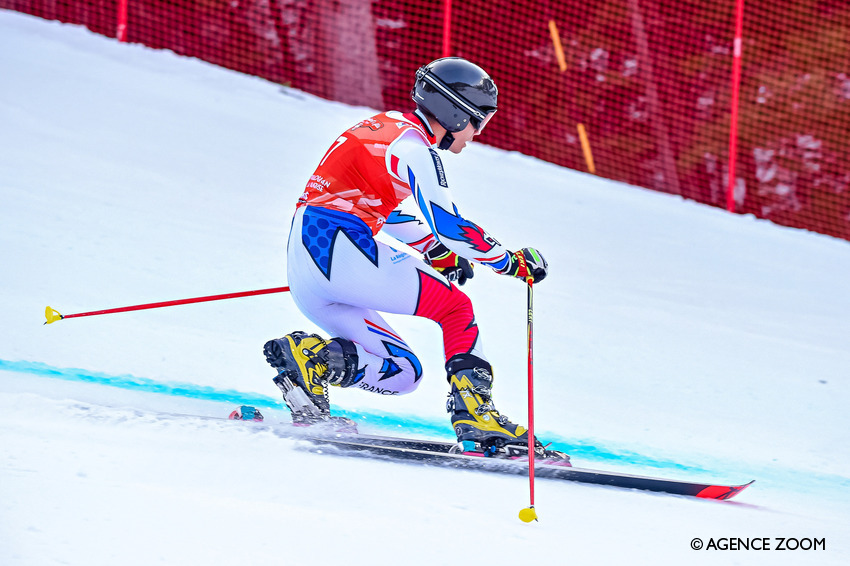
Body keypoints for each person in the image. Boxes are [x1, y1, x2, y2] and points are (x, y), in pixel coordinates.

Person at [264, 57, 550, 453]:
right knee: (456, 309)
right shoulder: (415, 148)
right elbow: (449, 224)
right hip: (338, 247)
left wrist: (432, 249)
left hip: (308, 257)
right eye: (478, 121)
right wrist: (510, 262)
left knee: (403, 373)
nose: (476, 133)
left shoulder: (385, 127)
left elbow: (385, 209)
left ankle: (312, 360)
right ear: (454, 112)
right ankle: (477, 415)